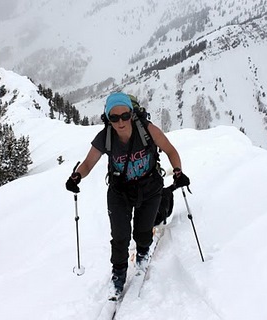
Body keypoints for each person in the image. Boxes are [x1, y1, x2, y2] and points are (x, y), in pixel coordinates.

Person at [65, 91, 190, 297]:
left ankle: (142, 253)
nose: (120, 122)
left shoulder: (147, 130)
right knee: (120, 236)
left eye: (125, 116)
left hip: (150, 187)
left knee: (142, 231)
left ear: (132, 114)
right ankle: (119, 272)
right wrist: (77, 177)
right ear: (108, 118)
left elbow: (170, 150)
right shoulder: (105, 137)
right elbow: (88, 163)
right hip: (119, 191)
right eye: (114, 117)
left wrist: (177, 171)